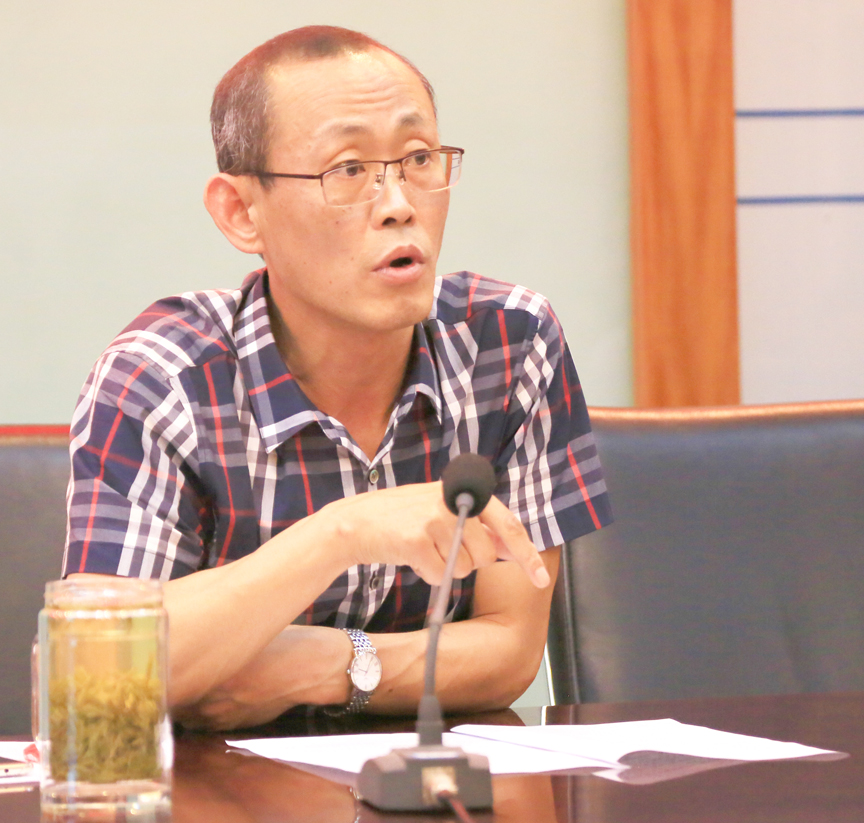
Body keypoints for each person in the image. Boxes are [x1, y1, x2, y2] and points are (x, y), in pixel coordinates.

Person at [63, 25, 612, 730]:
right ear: (241, 212)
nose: (399, 203)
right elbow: (102, 667)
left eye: (419, 158)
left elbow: (510, 649)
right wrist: (344, 532)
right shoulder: (164, 376)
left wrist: (324, 664)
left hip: (428, 780)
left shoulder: (509, 345)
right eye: (348, 169)